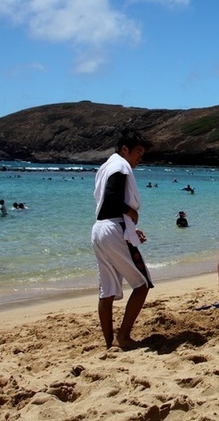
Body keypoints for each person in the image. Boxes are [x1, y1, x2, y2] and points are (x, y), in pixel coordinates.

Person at [91, 128, 154, 350]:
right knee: (142, 284)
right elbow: (111, 199)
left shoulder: (105, 167)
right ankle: (123, 337)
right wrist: (131, 213)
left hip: (100, 228)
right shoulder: (119, 165)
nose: (140, 157)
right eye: (137, 152)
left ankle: (109, 342)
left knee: (107, 290)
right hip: (112, 228)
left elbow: (104, 204)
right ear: (124, 149)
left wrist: (130, 227)